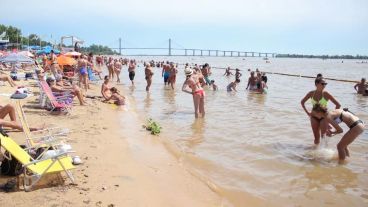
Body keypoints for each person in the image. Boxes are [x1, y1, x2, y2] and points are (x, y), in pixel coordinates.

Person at [301, 77, 341, 145]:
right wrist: (308, 113)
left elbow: (338, 105)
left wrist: (331, 118)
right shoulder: (311, 93)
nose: (324, 85)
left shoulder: (326, 94)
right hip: (313, 117)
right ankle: (315, 153)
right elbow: (302, 102)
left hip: (324, 118)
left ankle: (324, 153)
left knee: (324, 137)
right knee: (316, 138)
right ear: (316, 84)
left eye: (325, 84)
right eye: (322, 83)